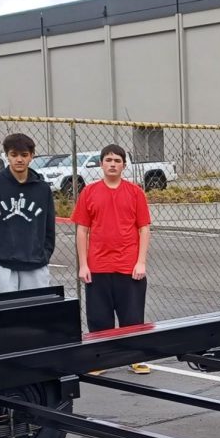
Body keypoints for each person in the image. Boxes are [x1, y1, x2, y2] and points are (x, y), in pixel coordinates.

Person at [71, 144, 152, 375]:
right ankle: (99, 359)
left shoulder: (135, 192)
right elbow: (82, 231)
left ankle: (135, 357)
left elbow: (144, 229)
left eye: (117, 160)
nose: (113, 164)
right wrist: (84, 265)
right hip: (98, 267)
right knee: (99, 318)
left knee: (133, 317)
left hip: (128, 267)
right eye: (108, 160)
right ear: (101, 164)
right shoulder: (89, 192)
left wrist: (141, 262)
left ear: (124, 165)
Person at [0, 132, 56, 294]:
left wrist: (45, 255)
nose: (19, 159)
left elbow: (49, 226)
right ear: (6, 155)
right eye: (14, 155)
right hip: (1, 265)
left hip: (35, 264)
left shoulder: (42, 189)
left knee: (35, 315)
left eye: (24, 155)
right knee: (5, 316)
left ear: (32, 156)